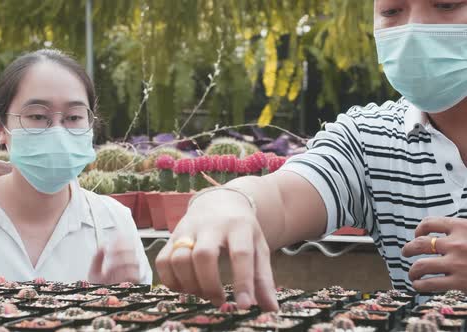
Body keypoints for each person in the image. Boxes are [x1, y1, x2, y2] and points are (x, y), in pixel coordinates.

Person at [156, 0, 467, 311]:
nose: (413, 31)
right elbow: (284, 196)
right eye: (391, 11)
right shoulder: (369, 138)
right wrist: (228, 201)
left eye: (447, 4)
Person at [0, 49, 152, 285]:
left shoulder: (113, 221)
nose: (58, 131)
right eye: (37, 116)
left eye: (74, 117)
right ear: (0, 127)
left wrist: (116, 306)